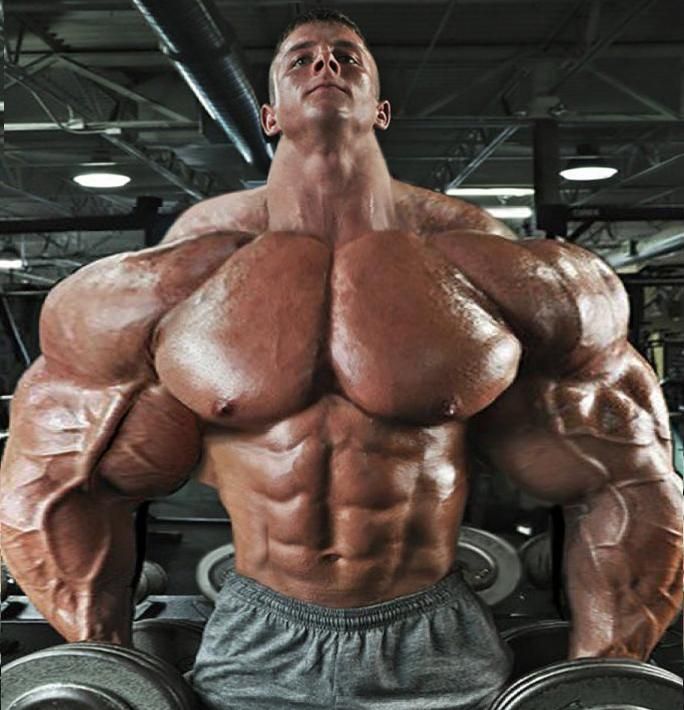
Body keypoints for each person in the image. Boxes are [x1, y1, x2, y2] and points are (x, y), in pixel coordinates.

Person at [1, 8, 681, 710]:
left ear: (381, 109)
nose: (325, 65)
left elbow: (627, 479)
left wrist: (603, 674)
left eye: (346, 56)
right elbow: (58, 485)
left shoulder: (497, 276)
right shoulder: (167, 288)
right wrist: (104, 664)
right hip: (255, 637)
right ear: (268, 114)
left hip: (436, 637)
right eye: (301, 58)